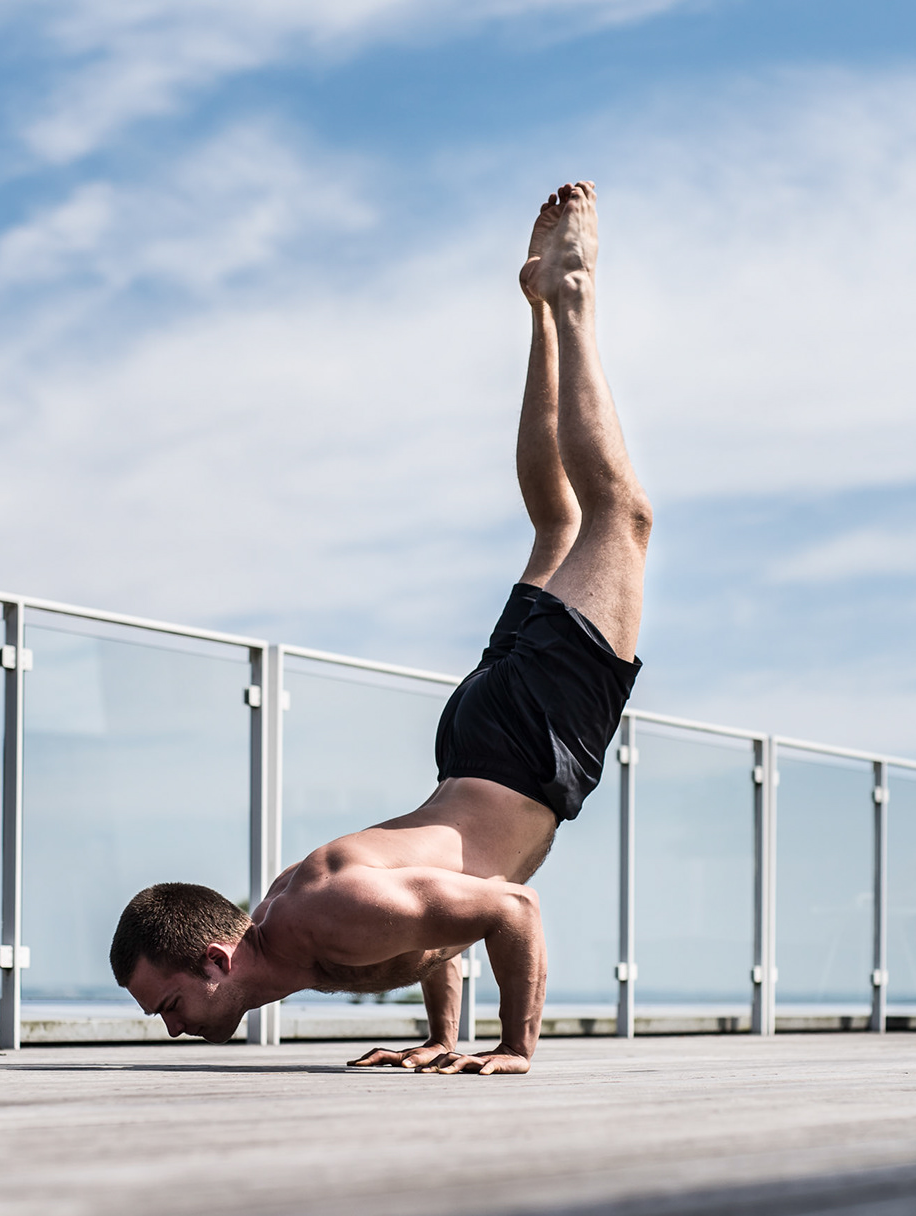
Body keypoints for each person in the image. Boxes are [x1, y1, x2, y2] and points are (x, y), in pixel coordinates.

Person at [111, 181, 650, 1074]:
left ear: (215, 958)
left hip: (516, 753)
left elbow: (509, 910)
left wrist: (514, 1048)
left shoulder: (318, 916)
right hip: (482, 753)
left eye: (170, 1006)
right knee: (559, 526)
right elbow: (442, 917)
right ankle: (541, 311)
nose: (171, 1026)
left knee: (613, 517)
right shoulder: (296, 931)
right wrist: (443, 1036)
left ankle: (572, 301)